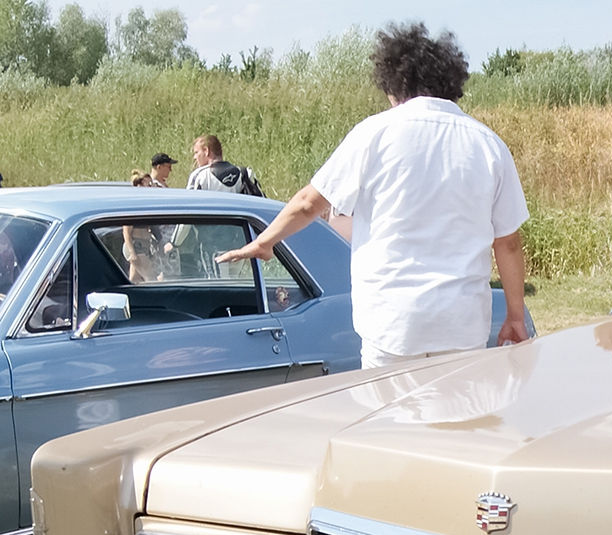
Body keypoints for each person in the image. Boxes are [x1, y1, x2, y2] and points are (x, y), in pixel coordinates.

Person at [214, 22, 528, 368]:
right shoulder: (488, 145)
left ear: (394, 85)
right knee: (452, 420)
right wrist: (515, 315)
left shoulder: (373, 134)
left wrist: (265, 241)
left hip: (390, 322)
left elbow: (309, 203)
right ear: (450, 84)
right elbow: (508, 243)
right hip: (460, 322)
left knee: (386, 420)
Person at [185, 135, 262, 196]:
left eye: (196, 152)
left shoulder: (199, 176)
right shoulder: (245, 173)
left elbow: (190, 206)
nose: (194, 157)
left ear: (206, 151)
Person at [123, 173, 163, 282]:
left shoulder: (145, 206)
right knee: (151, 277)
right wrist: (132, 252)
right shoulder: (132, 207)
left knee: (134, 279)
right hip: (136, 246)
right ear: (139, 186)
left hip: (144, 246)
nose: (150, 186)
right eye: (148, 184)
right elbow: (126, 232)